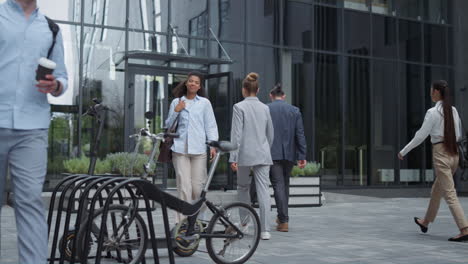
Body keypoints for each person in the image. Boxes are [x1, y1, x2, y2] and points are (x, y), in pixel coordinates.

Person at [0, 0, 68, 262]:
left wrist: (56, 85)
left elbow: (62, 76)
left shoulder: (50, 29)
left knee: (29, 204)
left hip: (32, 127)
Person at [398, 80, 468, 242]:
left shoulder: (432, 112)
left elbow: (420, 136)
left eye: (431, 90)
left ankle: (464, 229)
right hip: (454, 154)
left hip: (441, 153)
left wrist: (404, 151)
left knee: (449, 193)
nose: (430, 92)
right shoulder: (453, 110)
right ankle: (425, 221)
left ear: (436, 92)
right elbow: (458, 135)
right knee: (437, 190)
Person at [165, 72, 218, 223]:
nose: (193, 83)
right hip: (180, 149)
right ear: (186, 84)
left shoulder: (204, 103)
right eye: (191, 81)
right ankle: (181, 223)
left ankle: (198, 220)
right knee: (183, 187)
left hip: (199, 150)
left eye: (196, 82)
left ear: (199, 86)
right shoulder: (176, 102)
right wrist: (177, 111)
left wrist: (213, 144)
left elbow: (211, 125)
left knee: (197, 188)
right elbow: (168, 126)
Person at [230, 72, 274, 240]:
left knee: (242, 188)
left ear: (244, 89)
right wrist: (265, 148)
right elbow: (271, 134)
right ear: (258, 89)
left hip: (244, 155)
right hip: (263, 154)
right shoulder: (265, 108)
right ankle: (265, 230)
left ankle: (244, 224)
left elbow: (236, 135)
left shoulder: (238, 107)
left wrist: (233, 157)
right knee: (263, 191)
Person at [267, 84, 307, 232]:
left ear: (271, 96)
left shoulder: (267, 109)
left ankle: (283, 220)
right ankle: (282, 217)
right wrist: (302, 155)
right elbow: (300, 134)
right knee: (285, 185)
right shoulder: (294, 110)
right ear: (284, 96)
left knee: (278, 184)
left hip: (272, 153)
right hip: (289, 154)